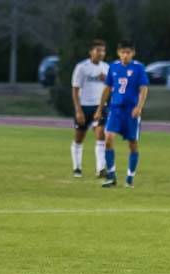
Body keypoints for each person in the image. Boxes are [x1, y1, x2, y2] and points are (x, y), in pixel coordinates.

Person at [96, 40, 149, 188]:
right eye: (123, 52)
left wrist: (139, 107)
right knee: (108, 138)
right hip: (115, 109)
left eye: (128, 52)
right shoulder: (113, 67)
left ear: (133, 53)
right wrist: (100, 108)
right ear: (119, 53)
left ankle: (130, 177)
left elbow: (144, 88)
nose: (125, 55)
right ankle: (111, 176)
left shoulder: (138, 68)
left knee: (132, 144)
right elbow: (107, 88)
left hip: (131, 111)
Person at [70, 39, 109, 178]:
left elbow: (111, 88)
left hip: (100, 107)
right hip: (84, 107)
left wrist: (107, 80)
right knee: (79, 138)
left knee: (101, 135)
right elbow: (75, 90)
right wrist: (78, 110)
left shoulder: (106, 68)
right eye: (98, 50)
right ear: (91, 52)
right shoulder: (82, 67)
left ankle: (100, 169)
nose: (101, 53)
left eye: (103, 51)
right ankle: (77, 168)